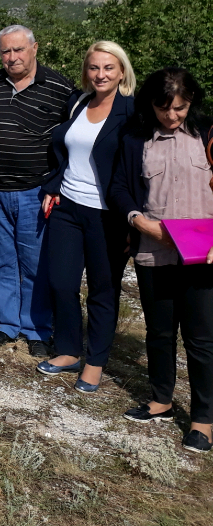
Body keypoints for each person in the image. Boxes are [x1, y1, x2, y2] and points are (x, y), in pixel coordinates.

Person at [109, 68, 213, 453]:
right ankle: (161, 400)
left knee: (201, 339)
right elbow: (120, 186)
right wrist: (137, 220)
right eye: (163, 108)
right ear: (150, 104)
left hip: (203, 254)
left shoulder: (207, 134)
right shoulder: (137, 139)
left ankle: (204, 419)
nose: (171, 116)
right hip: (155, 248)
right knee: (160, 332)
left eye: (180, 108)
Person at [38, 41, 135, 392]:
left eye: (108, 68)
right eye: (94, 68)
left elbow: (138, 168)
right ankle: (67, 350)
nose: (101, 74)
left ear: (122, 71)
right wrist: (52, 186)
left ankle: (95, 362)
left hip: (108, 215)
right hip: (68, 206)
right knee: (61, 282)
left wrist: (134, 220)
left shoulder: (132, 112)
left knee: (102, 290)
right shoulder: (78, 102)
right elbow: (62, 153)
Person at [0, 26, 77, 357]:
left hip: (37, 191)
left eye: (19, 50)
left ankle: (37, 328)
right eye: (6, 51)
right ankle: (7, 324)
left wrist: (58, 183)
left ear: (35, 48)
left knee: (36, 262)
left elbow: (75, 138)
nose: (12, 57)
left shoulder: (60, 87)